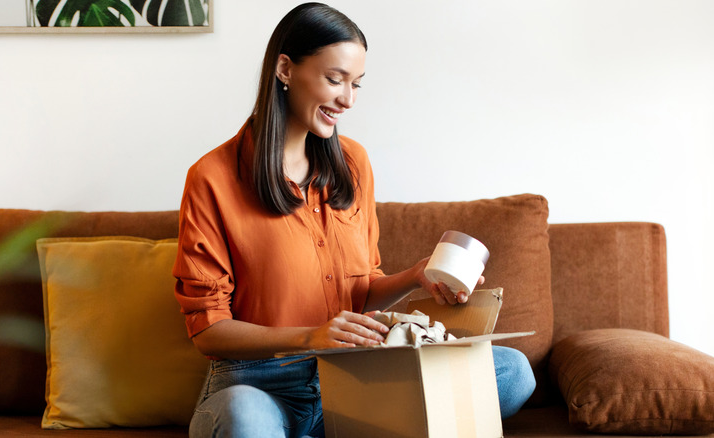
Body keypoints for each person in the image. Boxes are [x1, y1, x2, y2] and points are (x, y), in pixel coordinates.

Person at [173, 3, 535, 437]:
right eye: (334, 79)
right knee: (244, 420)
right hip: (260, 384)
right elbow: (208, 331)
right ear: (285, 69)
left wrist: (415, 276)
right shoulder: (211, 178)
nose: (348, 99)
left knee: (513, 372)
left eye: (356, 84)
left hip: (353, 378)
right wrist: (310, 337)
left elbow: (359, 294)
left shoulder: (353, 164)